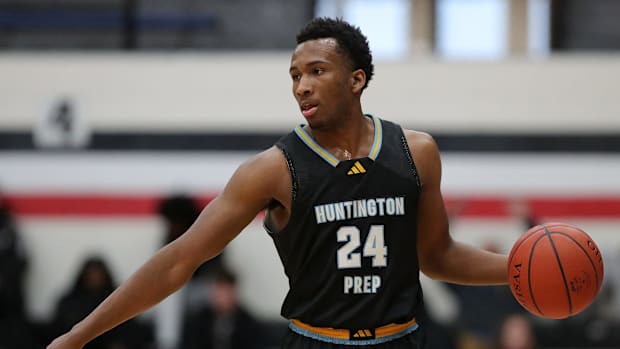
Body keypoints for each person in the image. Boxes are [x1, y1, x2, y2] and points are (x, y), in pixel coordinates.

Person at [47, 17, 508, 349]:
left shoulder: (416, 152)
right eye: (294, 75)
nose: (301, 86)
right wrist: (76, 337)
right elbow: (178, 260)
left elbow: (438, 257)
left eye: (316, 71)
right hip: (314, 340)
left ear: (357, 80)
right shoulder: (272, 169)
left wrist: (518, 267)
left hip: (400, 339)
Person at [180, 267, 266, 349]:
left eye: (226, 292)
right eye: (219, 291)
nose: (222, 297)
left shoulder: (248, 324)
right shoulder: (198, 321)